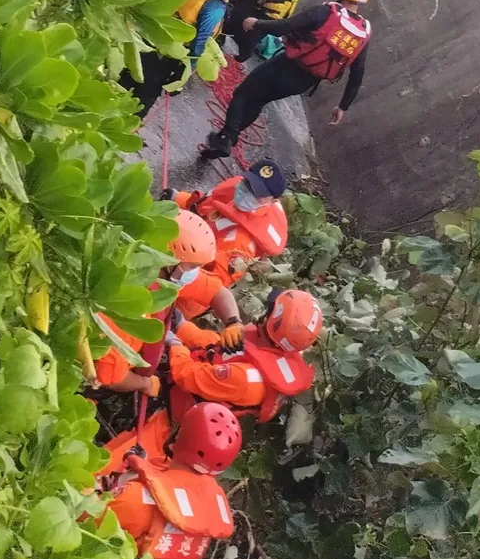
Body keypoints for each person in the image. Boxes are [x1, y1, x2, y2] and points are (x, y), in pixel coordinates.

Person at [202, 0, 374, 159]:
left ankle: (226, 137)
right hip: (305, 82)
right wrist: (343, 106)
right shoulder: (363, 33)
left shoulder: (325, 12)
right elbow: (358, 73)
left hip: (286, 66)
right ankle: (224, 139)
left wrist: (255, 23)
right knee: (259, 100)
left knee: (243, 93)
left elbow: (283, 27)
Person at [93, 209, 242, 395]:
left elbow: (218, 292)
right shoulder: (126, 310)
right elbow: (111, 378)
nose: (195, 272)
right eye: (194, 267)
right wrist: (145, 384)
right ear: (171, 258)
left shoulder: (165, 271)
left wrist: (233, 321)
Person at [95, 402, 240, 559]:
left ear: (177, 437)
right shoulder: (210, 516)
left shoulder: (135, 499)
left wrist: (107, 483)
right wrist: (143, 466)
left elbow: (82, 513)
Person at [119, 0, 250, 118]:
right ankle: (125, 129)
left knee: (121, 78)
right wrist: (184, 73)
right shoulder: (216, 2)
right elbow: (200, 39)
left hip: (142, 30)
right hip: (166, 53)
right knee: (143, 96)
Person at [164, 289, 324, 422]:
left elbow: (186, 375)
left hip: (172, 401)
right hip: (190, 372)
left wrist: (175, 345)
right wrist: (182, 326)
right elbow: (218, 349)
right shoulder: (271, 348)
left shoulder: (245, 379)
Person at [167, 159, 288, 290]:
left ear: (272, 201)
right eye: (247, 183)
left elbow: (214, 287)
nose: (247, 191)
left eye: (256, 193)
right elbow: (206, 205)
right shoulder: (235, 191)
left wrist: (176, 273)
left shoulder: (241, 246)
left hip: (185, 281)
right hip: (185, 240)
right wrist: (178, 199)